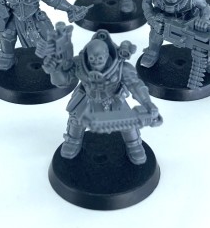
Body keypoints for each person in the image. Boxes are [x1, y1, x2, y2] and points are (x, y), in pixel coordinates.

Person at [41, 28, 162, 165]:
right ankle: (73, 141)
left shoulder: (120, 68)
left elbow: (136, 86)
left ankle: (134, 144)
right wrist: (55, 70)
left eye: (100, 58)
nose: (96, 62)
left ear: (107, 55)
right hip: (87, 98)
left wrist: (147, 103)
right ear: (87, 56)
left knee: (128, 123)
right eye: (92, 58)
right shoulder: (79, 65)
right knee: (76, 120)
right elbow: (63, 82)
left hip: (113, 99)